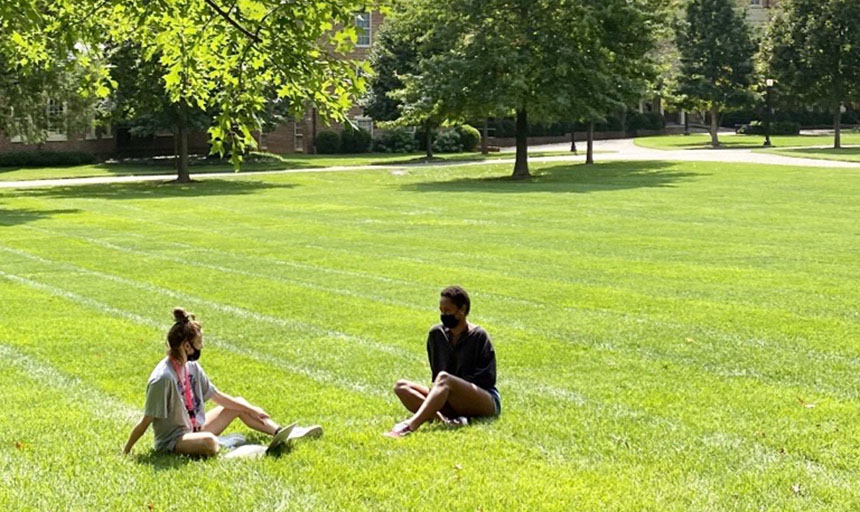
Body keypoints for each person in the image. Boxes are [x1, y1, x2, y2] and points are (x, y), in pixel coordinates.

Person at [123, 308, 320, 456]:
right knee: (209, 442)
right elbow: (146, 420)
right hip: (175, 440)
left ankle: (281, 432)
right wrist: (126, 451)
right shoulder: (163, 379)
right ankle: (233, 447)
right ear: (186, 346)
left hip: (196, 428)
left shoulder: (191, 367)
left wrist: (251, 409)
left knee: (239, 403)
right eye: (199, 344)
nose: (202, 347)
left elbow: (218, 397)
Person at [386, 286, 500, 438]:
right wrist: (444, 393)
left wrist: (454, 387)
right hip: (448, 395)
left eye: (448, 311)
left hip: (483, 399)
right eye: (441, 311)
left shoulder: (479, 336)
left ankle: (410, 425)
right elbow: (436, 373)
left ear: (462, 310)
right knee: (401, 387)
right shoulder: (436, 335)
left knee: (445, 378)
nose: (443, 315)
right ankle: (444, 421)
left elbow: (487, 378)